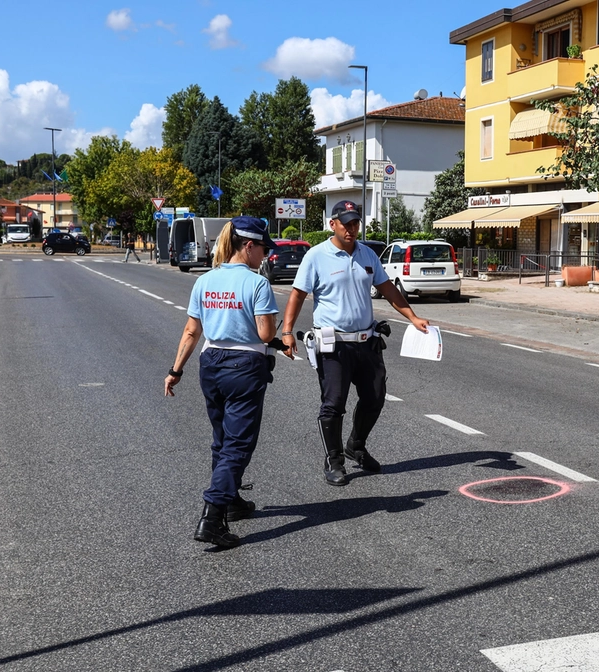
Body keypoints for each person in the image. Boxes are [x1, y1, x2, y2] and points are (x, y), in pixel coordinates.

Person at [280, 200, 429, 486]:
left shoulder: (368, 254)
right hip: (333, 345)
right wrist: (287, 331)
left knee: (375, 397)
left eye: (355, 223)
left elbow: (386, 288)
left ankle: (356, 446)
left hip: (366, 341)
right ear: (332, 224)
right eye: (345, 223)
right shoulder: (316, 256)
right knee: (333, 404)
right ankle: (334, 459)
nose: (351, 229)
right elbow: (297, 295)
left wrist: (412, 317)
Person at [165, 217, 280, 548]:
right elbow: (265, 334)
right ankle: (212, 517)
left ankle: (231, 502)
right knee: (238, 444)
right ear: (248, 246)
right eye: (262, 249)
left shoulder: (205, 281)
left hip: (210, 363)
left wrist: (175, 371)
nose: (264, 255)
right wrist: (275, 333)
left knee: (222, 439)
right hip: (244, 366)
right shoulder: (257, 284)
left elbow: (191, 331)